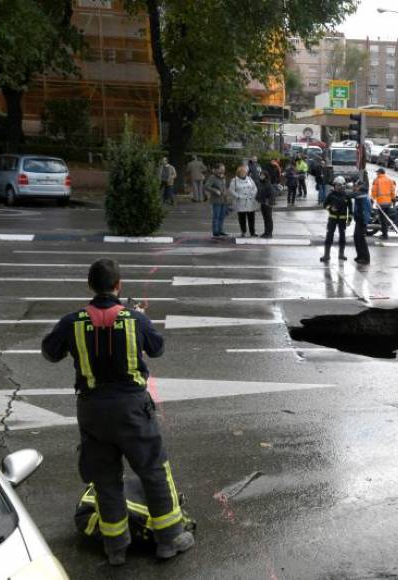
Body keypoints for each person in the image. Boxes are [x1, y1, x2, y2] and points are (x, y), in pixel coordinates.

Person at [40, 259, 195, 566]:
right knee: (153, 469)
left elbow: (49, 351)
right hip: (132, 410)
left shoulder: (73, 321)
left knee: (105, 477)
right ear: (118, 285)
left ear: (90, 286)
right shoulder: (133, 319)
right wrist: (138, 316)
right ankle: (170, 539)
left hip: (92, 411)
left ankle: (115, 547)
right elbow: (158, 348)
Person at [321, 176, 352, 263]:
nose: (337, 187)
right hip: (332, 219)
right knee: (329, 236)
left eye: (339, 185)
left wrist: (349, 220)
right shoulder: (331, 195)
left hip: (342, 220)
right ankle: (326, 255)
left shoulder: (346, 196)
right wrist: (330, 208)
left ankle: (341, 254)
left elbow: (350, 209)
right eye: (336, 185)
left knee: (342, 237)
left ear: (343, 186)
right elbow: (325, 204)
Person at [228, 165, 258, 237]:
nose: (243, 173)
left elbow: (255, 188)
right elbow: (231, 190)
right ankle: (243, 231)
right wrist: (238, 196)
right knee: (242, 218)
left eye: (245, 172)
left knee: (251, 218)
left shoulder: (250, 179)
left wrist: (253, 195)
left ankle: (252, 232)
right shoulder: (234, 180)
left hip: (250, 201)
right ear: (238, 172)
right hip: (240, 202)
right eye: (242, 172)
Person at [204, 163, 229, 238]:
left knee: (222, 216)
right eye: (222, 168)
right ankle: (215, 231)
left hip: (223, 199)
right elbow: (206, 186)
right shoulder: (212, 177)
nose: (223, 169)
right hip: (216, 200)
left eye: (224, 168)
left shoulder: (223, 177)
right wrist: (215, 191)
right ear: (217, 169)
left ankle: (220, 230)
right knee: (216, 216)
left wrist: (226, 194)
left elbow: (224, 187)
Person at [371, 167, 396, 239]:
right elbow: (392, 191)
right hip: (388, 203)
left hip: (381, 203)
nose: (376, 173)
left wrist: (372, 200)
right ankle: (385, 232)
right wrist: (393, 199)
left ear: (379, 173)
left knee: (382, 219)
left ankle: (385, 234)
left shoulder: (377, 180)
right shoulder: (389, 180)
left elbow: (374, 191)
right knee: (386, 218)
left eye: (377, 172)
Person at [352, 177, 371, 265]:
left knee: (361, 239)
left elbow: (350, 195)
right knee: (356, 237)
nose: (354, 187)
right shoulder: (360, 193)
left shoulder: (362, 193)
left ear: (359, 186)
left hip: (362, 220)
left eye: (355, 186)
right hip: (358, 219)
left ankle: (366, 258)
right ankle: (360, 256)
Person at [255, 170, 275, 238]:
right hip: (263, 203)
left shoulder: (268, 183)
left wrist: (269, 202)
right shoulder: (260, 183)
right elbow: (259, 193)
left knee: (268, 218)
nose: (261, 176)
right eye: (260, 175)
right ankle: (266, 232)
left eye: (262, 175)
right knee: (265, 218)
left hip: (267, 204)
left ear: (266, 176)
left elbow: (271, 194)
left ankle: (269, 233)